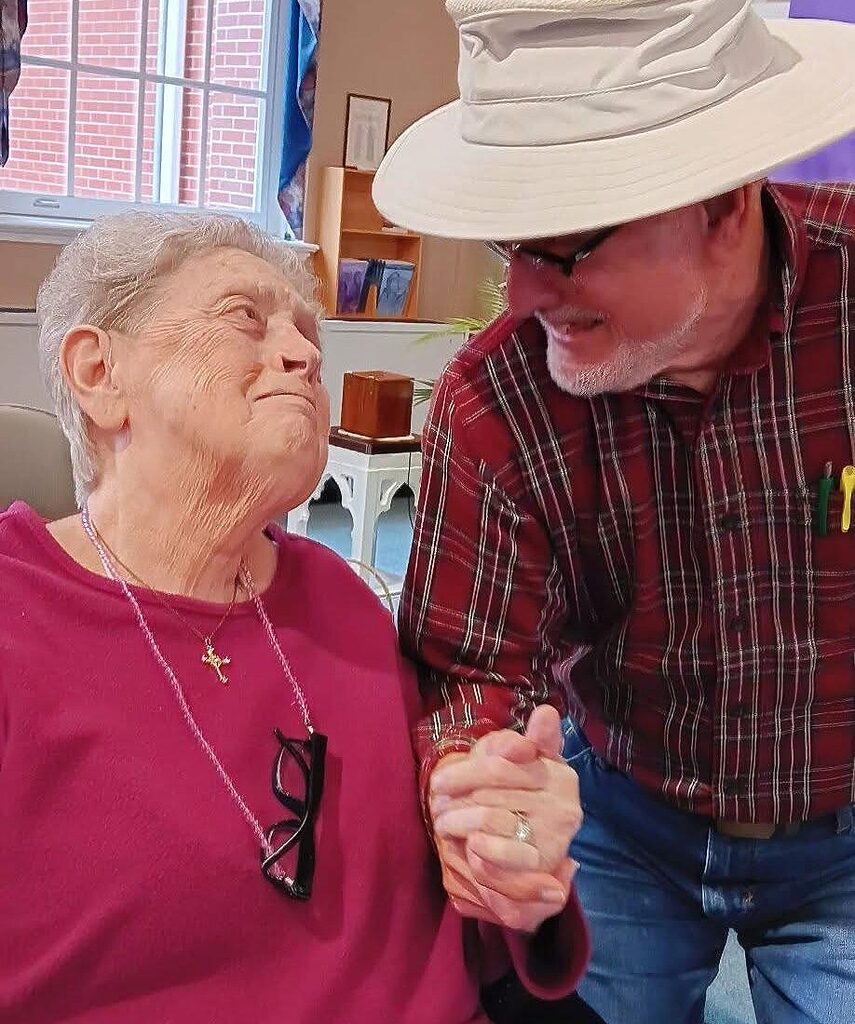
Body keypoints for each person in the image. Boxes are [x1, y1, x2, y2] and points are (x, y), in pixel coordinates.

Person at [371, 2, 855, 1023]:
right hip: (622, 813)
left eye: (563, 245)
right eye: (510, 242)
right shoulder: (494, 406)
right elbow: (470, 671)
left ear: (723, 206)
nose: (518, 289)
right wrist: (483, 790)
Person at [0, 212, 590, 1023]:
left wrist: (505, 852)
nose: (307, 354)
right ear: (100, 371)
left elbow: (453, 903)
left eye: (308, 333)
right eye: (246, 317)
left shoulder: (340, 600)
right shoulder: (18, 619)